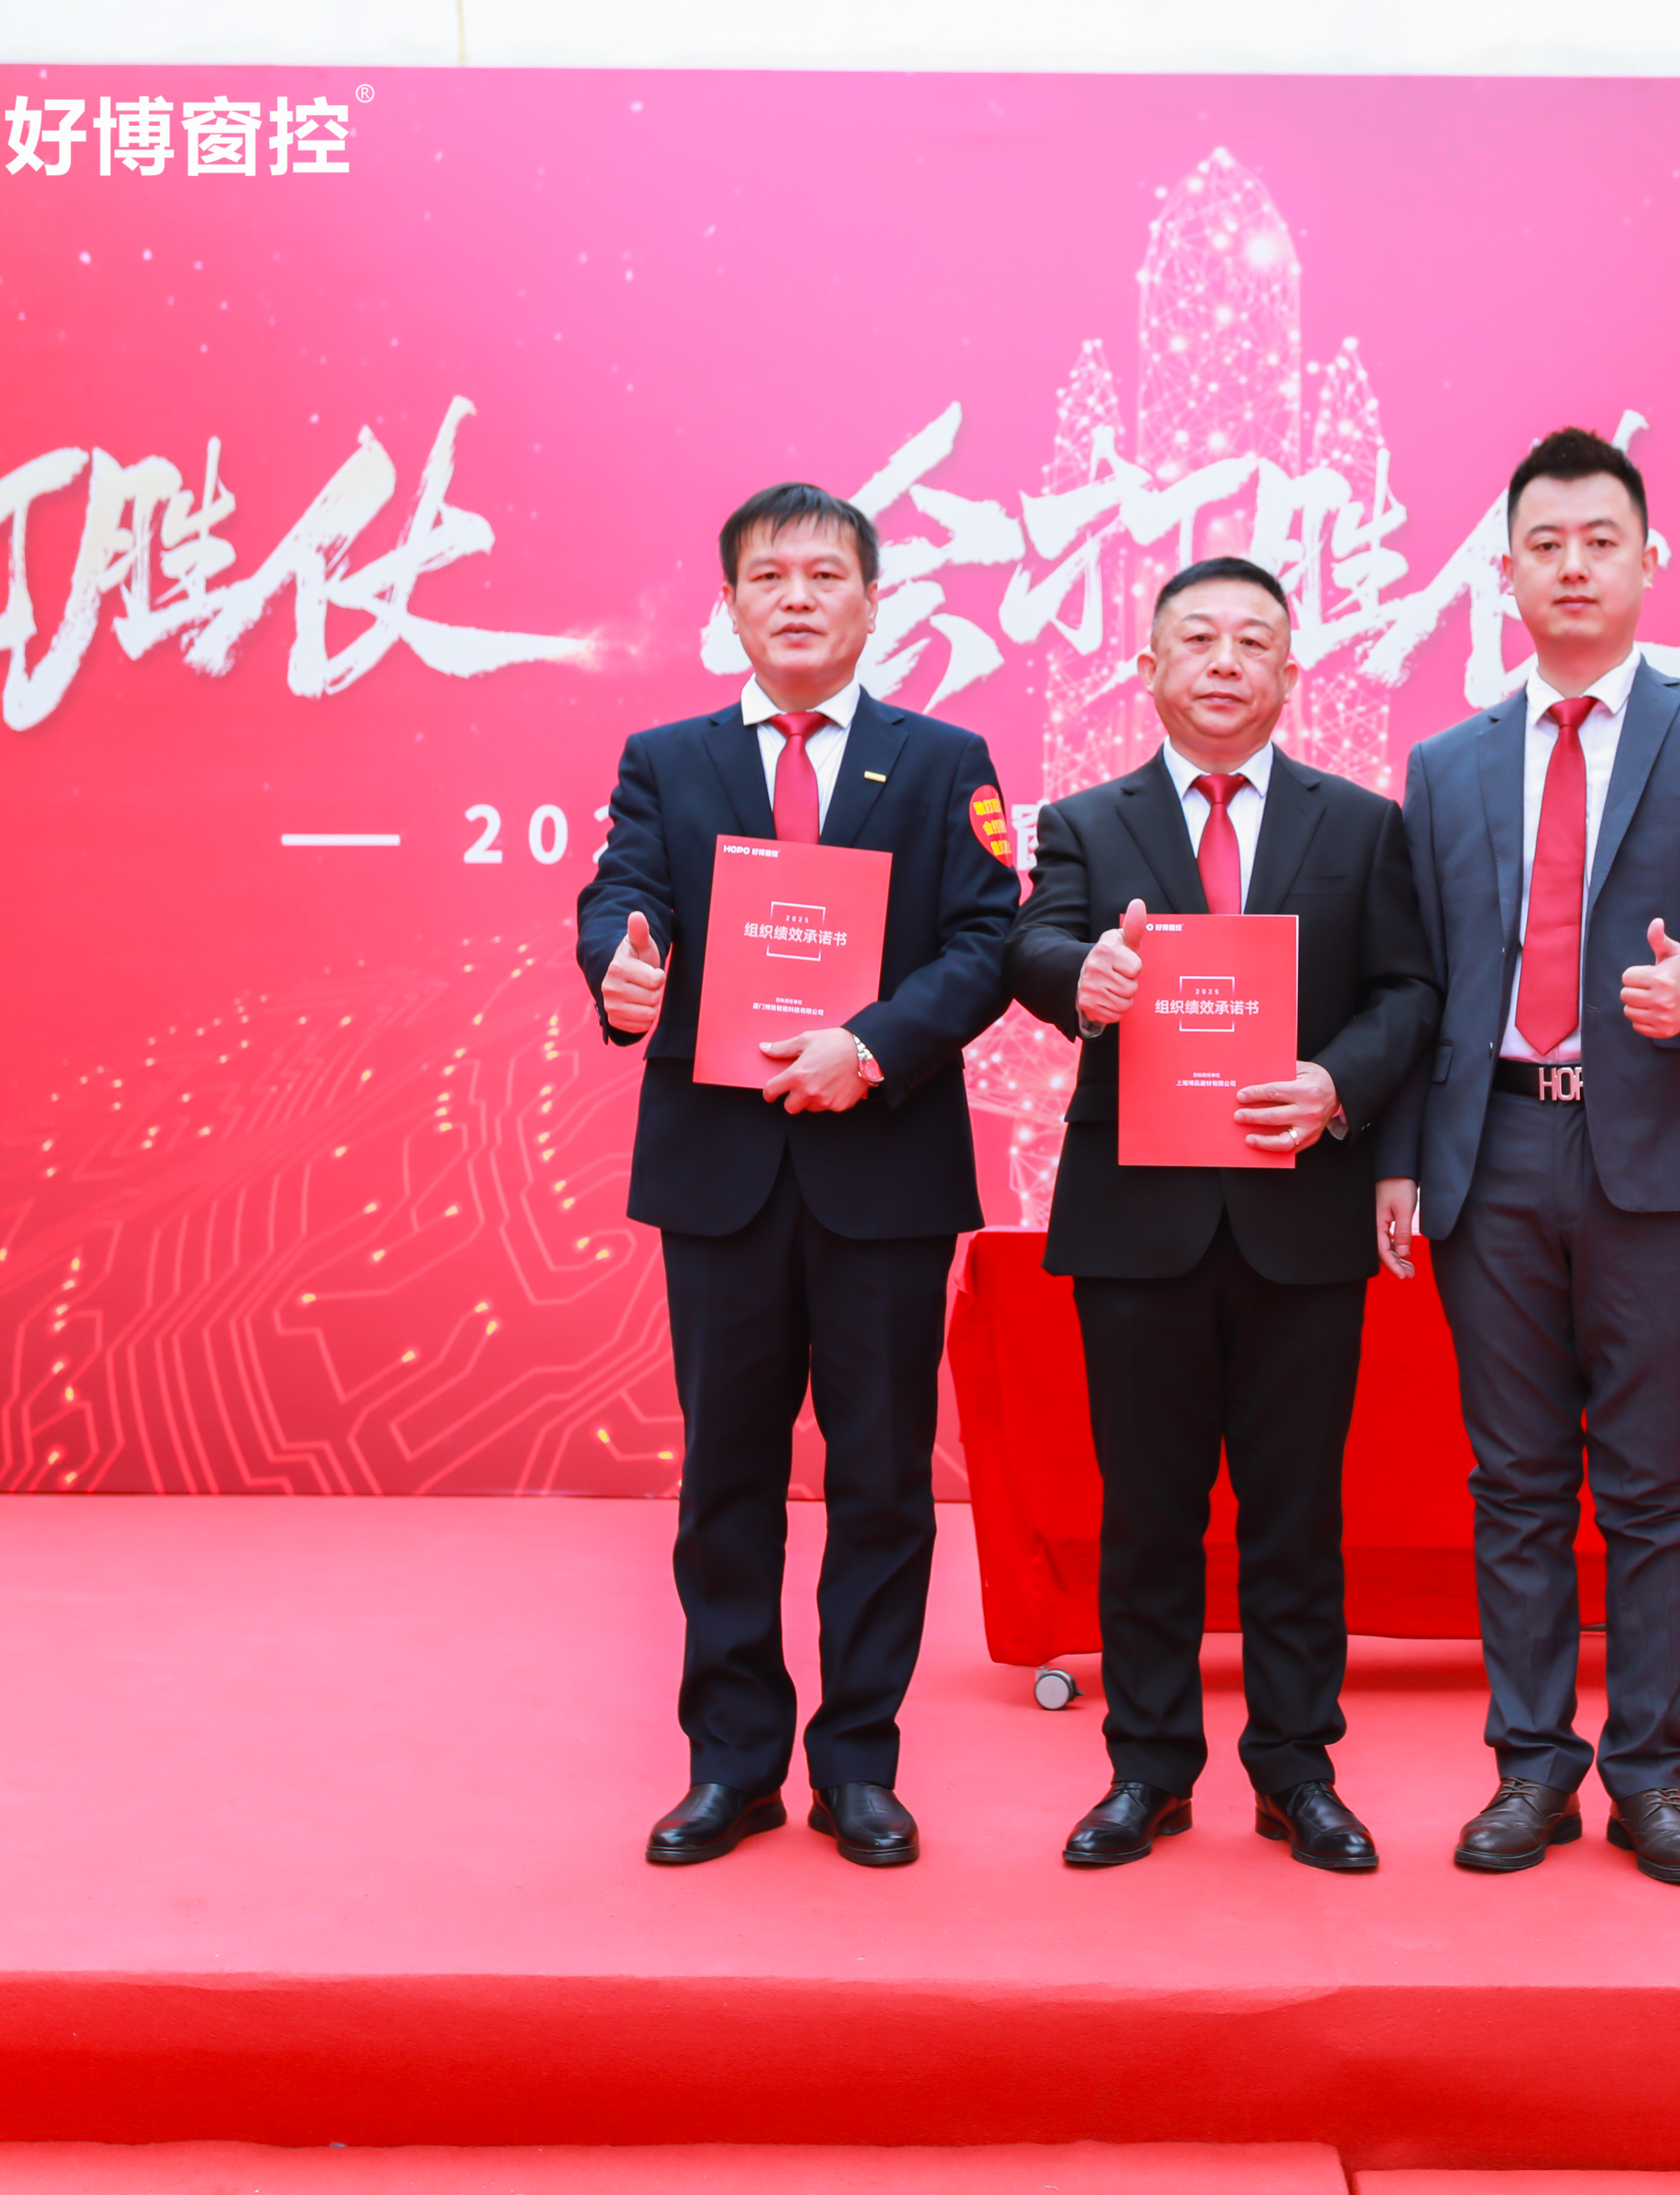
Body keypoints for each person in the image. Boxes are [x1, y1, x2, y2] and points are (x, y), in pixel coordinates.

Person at [1373, 430, 1680, 1886]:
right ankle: (1530, 1773)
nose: (1573, 567)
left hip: (1660, 1155)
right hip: (1491, 1150)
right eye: (1546, 545)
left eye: (1600, 541)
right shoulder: (1446, 766)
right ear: (1504, 573)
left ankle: (1650, 1778)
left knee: (1653, 1483)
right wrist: (1400, 1159)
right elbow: (1421, 984)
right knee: (1512, 1482)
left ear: (1648, 561)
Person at [574, 482, 1017, 1870]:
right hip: (721, 1174)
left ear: (874, 602)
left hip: (883, 1173)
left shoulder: (943, 762)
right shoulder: (668, 760)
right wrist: (620, 966)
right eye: (769, 577)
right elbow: (619, 897)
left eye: (828, 575)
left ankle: (859, 1767)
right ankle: (732, 1765)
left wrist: (869, 1048)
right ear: (730, 608)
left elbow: (988, 941)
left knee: (882, 1480)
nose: (799, 598)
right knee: (728, 1478)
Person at [1005, 555, 1438, 1872]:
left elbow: (1409, 992)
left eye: (1254, 641)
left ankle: (1297, 1769)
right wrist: (1088, 974)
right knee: (1148, 1510)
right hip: (1139, 1221)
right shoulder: (1088, 822)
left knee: (1295, 1512)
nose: (1225, 661)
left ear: (1291, 673)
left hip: (1301, 1217)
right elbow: (1032, 946)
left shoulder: (1361, 825)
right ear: (1148, 669)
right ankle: (1148, 1768)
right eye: (1197, 639)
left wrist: (1338, 1085)